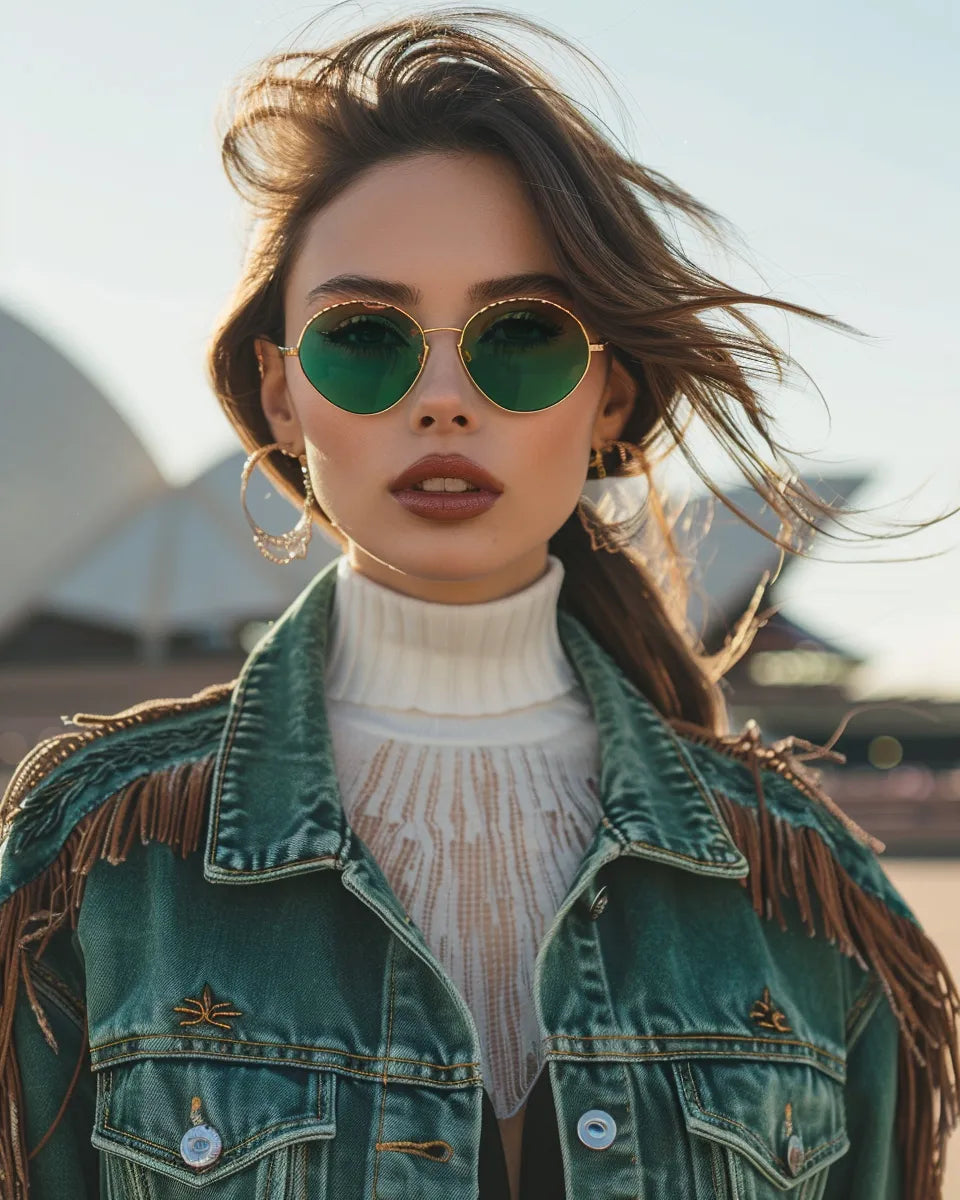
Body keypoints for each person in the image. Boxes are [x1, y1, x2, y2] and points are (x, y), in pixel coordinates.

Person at [1, 10, 957, 1199]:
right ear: (280, 391)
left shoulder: (805, 890)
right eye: (363, 337)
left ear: (610, 395)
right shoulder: (92, 869)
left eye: (521, 336)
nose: (445, 399)